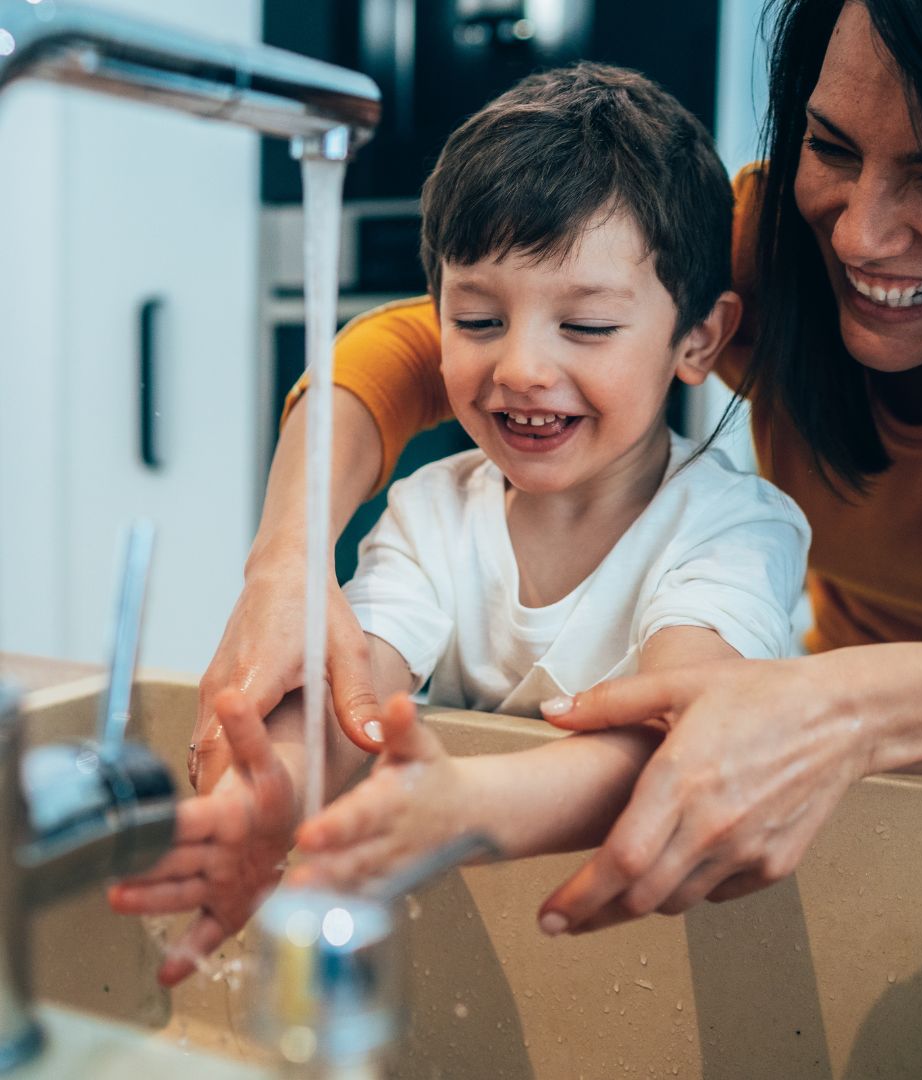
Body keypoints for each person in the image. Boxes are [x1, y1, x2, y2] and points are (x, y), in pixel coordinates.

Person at [190, 0, 922, 938]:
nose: (859, 235)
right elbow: (415, 347)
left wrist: (843, 707)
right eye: (833, 147)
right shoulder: (780, 249)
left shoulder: (729, 526)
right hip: (824, 797)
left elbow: (685, 708)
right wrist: (286, 560)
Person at [111, 63, 809, 982]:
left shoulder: (736, 526)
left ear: (699, 339)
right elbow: (357, 691)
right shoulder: (431, 511)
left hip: (693, 967)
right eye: (477, 318)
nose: (520, 367)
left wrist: (465, 804)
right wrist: (266, 791)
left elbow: (689, 729)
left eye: (587, 327)